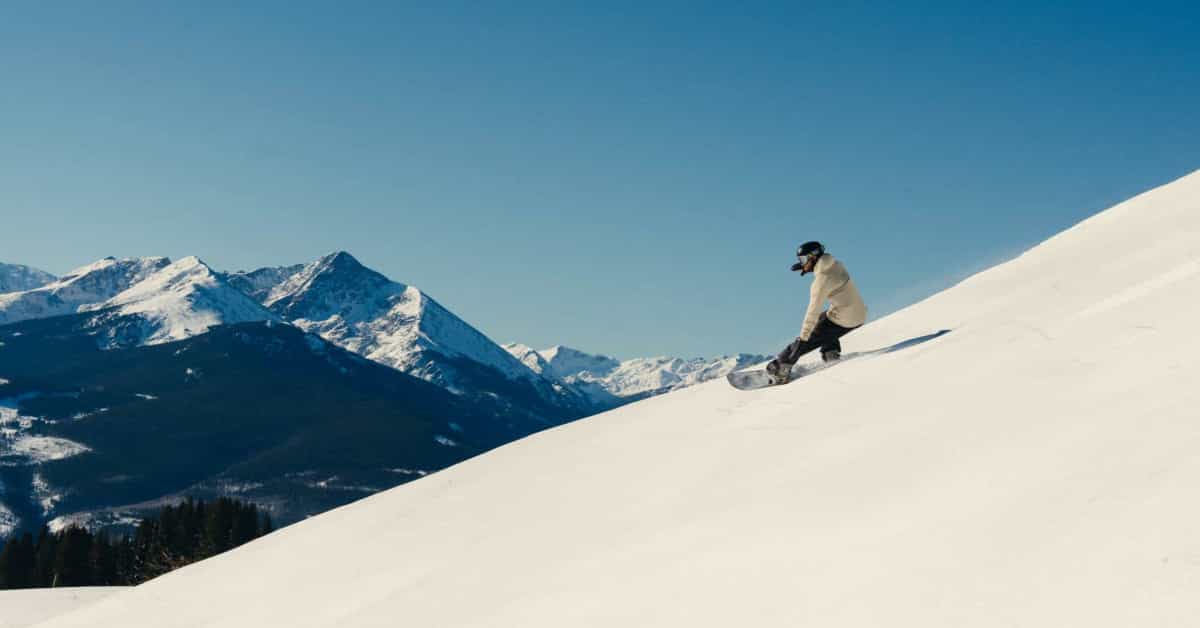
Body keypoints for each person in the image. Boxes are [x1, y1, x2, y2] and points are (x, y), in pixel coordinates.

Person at [765, 241, 867, 384]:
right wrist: (806, 266)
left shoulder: (821, 282)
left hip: (846, 319)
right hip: (859, 313)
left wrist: (802, 341)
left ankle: (781, 367)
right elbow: (822, 268)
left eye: (804, 259)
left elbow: (811, 313)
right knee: (824, 318)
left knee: (811, 332)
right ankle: (830, 352)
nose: (802, 263)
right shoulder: (836, 265)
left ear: (813, 257)